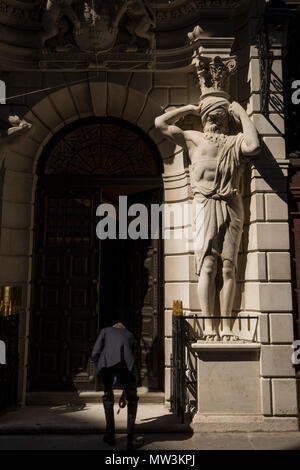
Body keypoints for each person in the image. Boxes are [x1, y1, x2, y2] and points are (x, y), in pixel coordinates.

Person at [155, 96, 260, 341]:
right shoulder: (194, 138)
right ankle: (210, 327)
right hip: (205, 206)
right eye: (211, 113)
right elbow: (160, 123)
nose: (215, 117)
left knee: (228, 268)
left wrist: (242, 114)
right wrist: (188, 108)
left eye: (221, 113)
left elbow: (254, 146)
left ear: (227, 118)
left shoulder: (235, 142)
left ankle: (226, 327)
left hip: (231, 205)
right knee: (207, 267)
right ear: (204, 117)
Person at [91, 322, 143, 450]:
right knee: (133, 399)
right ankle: (130, 439)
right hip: (126, 367)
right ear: (123, 330)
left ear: (114, 327)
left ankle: (110, 436)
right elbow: (134, 357)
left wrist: (100, 367)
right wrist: (128, 388)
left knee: (108, 398)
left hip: (107, 365)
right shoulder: (130, 335)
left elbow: (95, 353)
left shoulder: (105, 330)